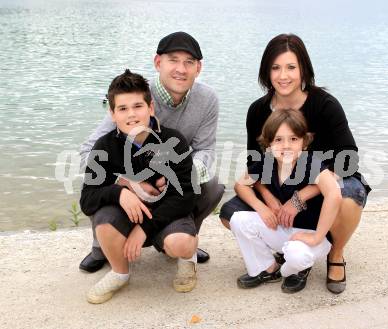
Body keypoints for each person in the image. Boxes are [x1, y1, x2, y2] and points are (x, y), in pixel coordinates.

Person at [220, 34, 370, 294]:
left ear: (303, 70)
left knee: (349, 196)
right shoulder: (258, 111)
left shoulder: (325, 105)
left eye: (291, 67)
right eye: (275, 68)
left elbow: (349, 158)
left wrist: (301, 197)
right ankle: (281, 253)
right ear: (267, 72)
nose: (283, 75)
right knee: (229, 214)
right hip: (280, 183)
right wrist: (268, 199)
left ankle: (334, 252)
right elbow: (255, 164)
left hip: (326, 181)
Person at [79, 32, 225, 291]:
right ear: (158, 62)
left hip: (174, 175)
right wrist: (126, 184)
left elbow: (205, 149)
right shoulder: (134, 99)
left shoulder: (207, 100)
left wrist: (174, 177)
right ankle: (102, 245)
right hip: (131, 182)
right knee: (102, 188)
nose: (181, 69)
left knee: (212, 185)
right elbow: (88, 154)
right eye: (173, 60)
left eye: (189, 62)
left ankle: (182, 238)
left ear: (198, 68)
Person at [81, 69, 198, 303]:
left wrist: (144, 228)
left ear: (151, 108)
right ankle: (120, 273)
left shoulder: (173, 141)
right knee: (103, 221)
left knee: (181, 243)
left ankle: (188, 260)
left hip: (164, 216)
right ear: (112, 114)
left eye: (138, 106)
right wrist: (119, 192)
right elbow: (87, 199)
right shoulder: (104, 147)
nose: (131, 115)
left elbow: (186, 195)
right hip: (127, 214)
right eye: (122, 109)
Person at [230, 109, 341, 293]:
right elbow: (240, 185)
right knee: (239, 220)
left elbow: (334, 193)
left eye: (294, 139)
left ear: (304, 143)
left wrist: (317, 236)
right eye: (278, 140)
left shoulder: (310, 163)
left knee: (296, 255)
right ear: (269, 143)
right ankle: (266, 268)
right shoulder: (267, 162)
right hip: (284, 230)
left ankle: (293, 272)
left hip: (310, 234)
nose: (286, 146)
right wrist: (262, 207)